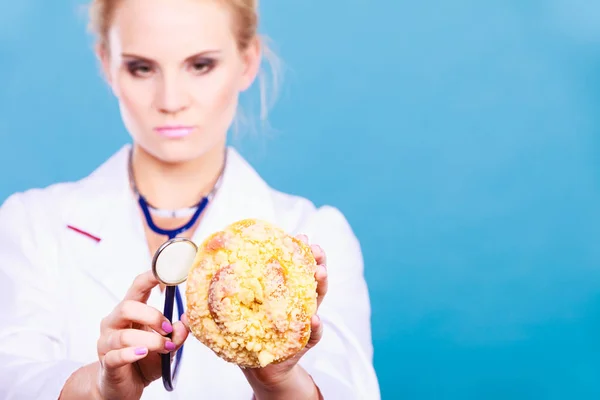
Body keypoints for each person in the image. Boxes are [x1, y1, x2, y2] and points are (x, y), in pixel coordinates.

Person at [0, 0, 380, 398]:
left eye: (200, 65)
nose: (171, 100)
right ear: (107, 65)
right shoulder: (32, 225)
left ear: (247, 62)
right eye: (141, 68)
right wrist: (96, 391)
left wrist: (280, 381)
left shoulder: (315, 234)